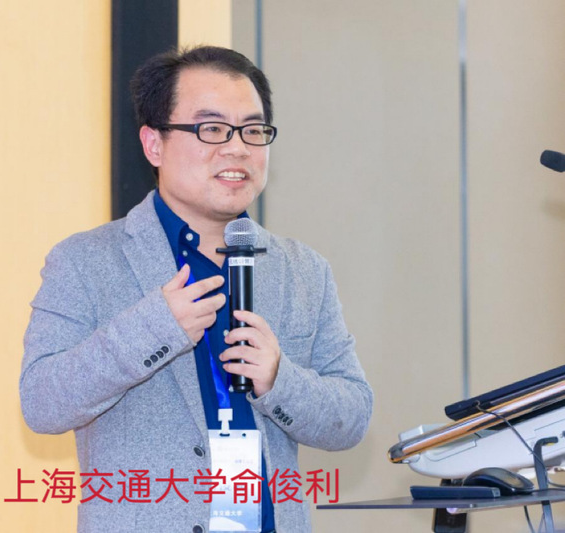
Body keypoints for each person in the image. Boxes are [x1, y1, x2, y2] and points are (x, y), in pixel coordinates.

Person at [20, 46, 372, 533]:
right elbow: (42, 403)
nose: (237, 148)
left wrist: (279, 378)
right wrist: (154, 329)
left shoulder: (303, 270)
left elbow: (351, 416)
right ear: (154, 144)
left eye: (253, 130)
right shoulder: (85, 261)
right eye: (211, 129)